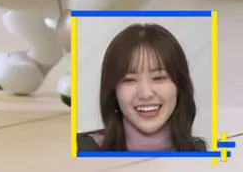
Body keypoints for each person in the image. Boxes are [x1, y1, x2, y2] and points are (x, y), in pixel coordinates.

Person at [77, 23, 208, 152]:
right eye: (129, 80)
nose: (146, 94)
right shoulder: (83, 149)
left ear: (179, 86)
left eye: (159, 78)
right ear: (113, 91)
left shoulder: (198, 151)